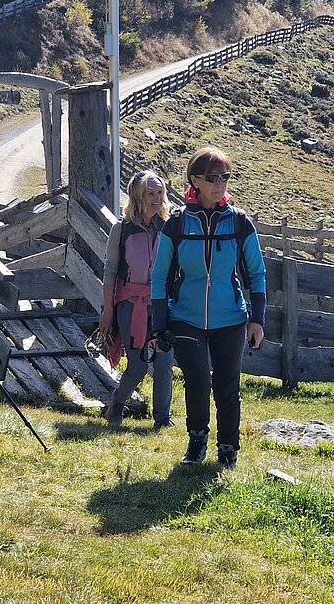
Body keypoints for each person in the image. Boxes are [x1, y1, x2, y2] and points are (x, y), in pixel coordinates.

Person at [151, 146, 266, 469]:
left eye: (225, 177)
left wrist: (257, 319)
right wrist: (159, 326)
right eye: (213, 178)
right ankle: (197, 441)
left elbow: (256, 273)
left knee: (227, 387)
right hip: (185, 318)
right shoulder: (176, 225)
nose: (220, 184)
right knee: (198, 381)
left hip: (230, 318)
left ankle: (228, 449)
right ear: (194, 181)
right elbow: (159, 278)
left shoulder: (240, 223)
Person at [99, 169, 173, 429]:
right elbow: (109, 271)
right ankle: (117, 404)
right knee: (139, 366)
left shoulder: (169, 228)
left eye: (159, 193)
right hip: (130, 304)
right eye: (150, 193)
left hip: (161, 304)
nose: (156, 198)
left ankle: (162, 420)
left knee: (164, 362)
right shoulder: (122, 229)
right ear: (138, 197)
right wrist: (108, 311)